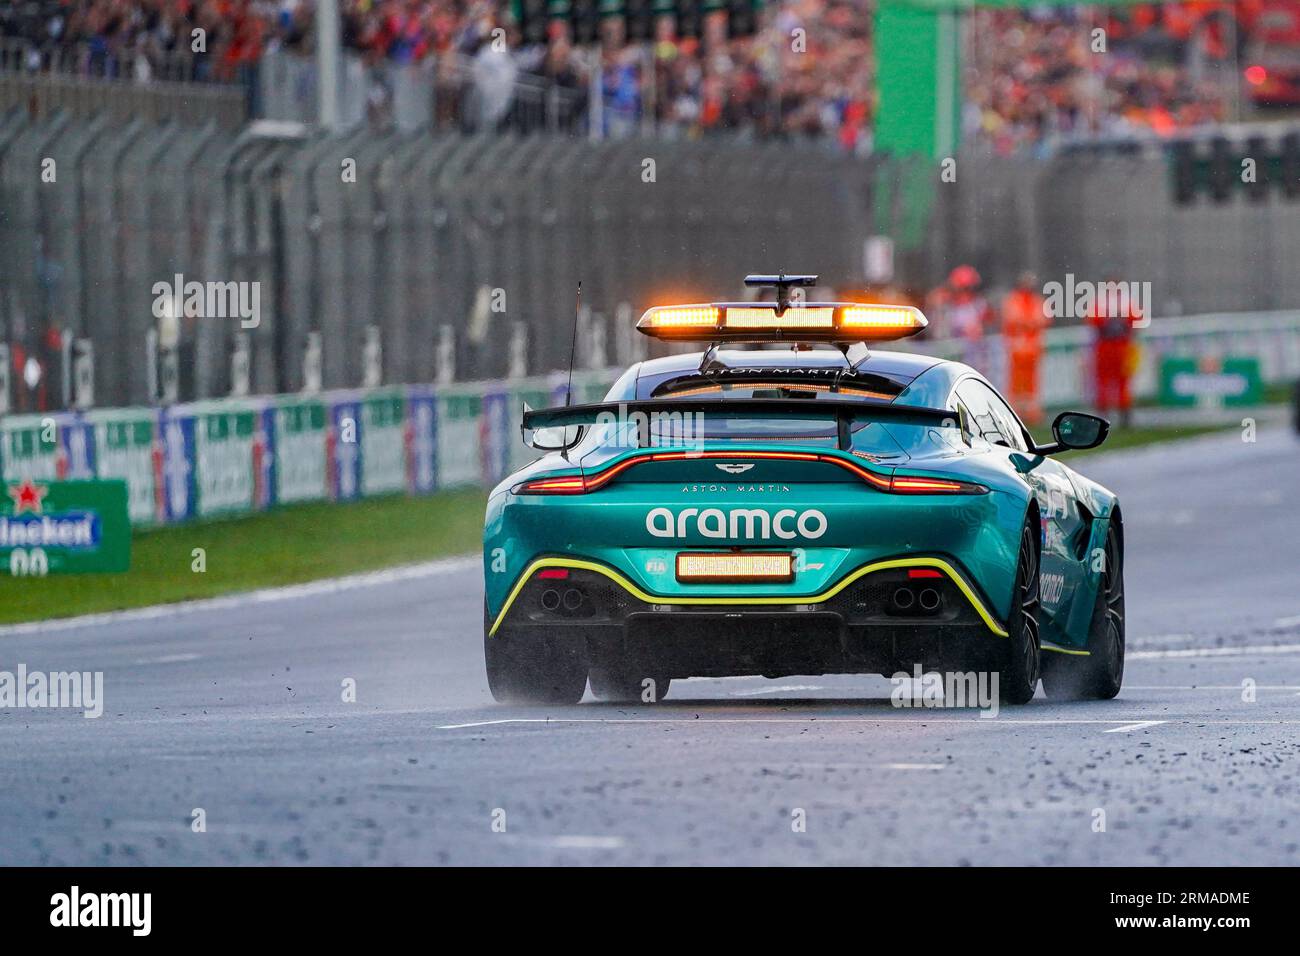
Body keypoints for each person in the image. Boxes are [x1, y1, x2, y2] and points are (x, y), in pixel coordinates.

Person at [1088, 283, 1142, 428]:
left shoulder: (1107, 302)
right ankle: (1111, 414)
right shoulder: (1124, 301)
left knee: (1117, 382)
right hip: (1112, 346)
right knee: (1110, 382)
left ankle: (1118, 414)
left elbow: (1093, 322)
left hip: (1116, 346)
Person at [1001, 272, 1050, 425]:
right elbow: (1014, 321)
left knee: (1032, 384)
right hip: (1017, 349)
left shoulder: (1037, 301)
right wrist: (1028, 324)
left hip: (1032, 349)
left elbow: (1042, 320)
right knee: (1017, 383)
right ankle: (1017, 413)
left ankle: (1031, 413)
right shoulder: (1013, 300)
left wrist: (1028, 324)